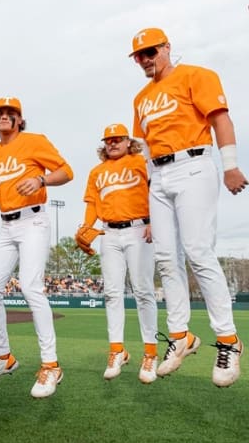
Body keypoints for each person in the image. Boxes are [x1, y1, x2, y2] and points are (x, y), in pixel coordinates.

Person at [129, 27, 247, 387]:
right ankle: (180, 336)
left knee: (197, 252)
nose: (146, 60)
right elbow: (145, 148)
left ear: (166, 48)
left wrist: (230, 165)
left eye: (151, 52)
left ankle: (228, 339)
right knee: (166, 258)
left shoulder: (197, 75)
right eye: (139, 55)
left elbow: (219, 119)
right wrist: (150, 191)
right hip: (160, 176)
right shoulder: (141, 98)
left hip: (194, 164)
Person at [0, 97, 73, 398]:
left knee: (30, 286)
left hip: (33, 221)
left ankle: (51, 365)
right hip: (7, 225)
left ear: (20, 120)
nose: (5, 116)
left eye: (11, 113)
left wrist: (41, 179)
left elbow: (66, 172)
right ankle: (4, 358)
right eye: (0, 112)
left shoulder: (34, 141)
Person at [76, 123, 158, 384]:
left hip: (138, 229)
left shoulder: (140, 161)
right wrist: (87, 228)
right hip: (108, 233)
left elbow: (156, 190)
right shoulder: (97, 172)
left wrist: (153, 220)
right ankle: (116, 350)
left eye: (118, 139)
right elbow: (91, 203)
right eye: (108, 140)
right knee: (112, 293)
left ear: (127, 141)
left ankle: (150, 352)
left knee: (143, 290)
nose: (112, 143)